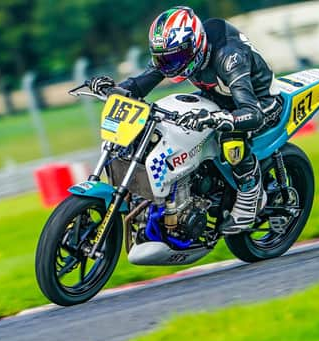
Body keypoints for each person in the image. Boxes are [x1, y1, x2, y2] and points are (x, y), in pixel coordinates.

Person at [88, 6, 284, 234]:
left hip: (260, 102)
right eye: (163, 57)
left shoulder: (229, 57)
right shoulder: (173, 54)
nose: (170, 63)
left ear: (196, 43)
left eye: (175, 57)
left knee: (231, 140)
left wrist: (221, 118)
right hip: (217, 98)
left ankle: (251, 195)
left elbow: (252, 112)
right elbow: (142, 83)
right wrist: (114, 89)